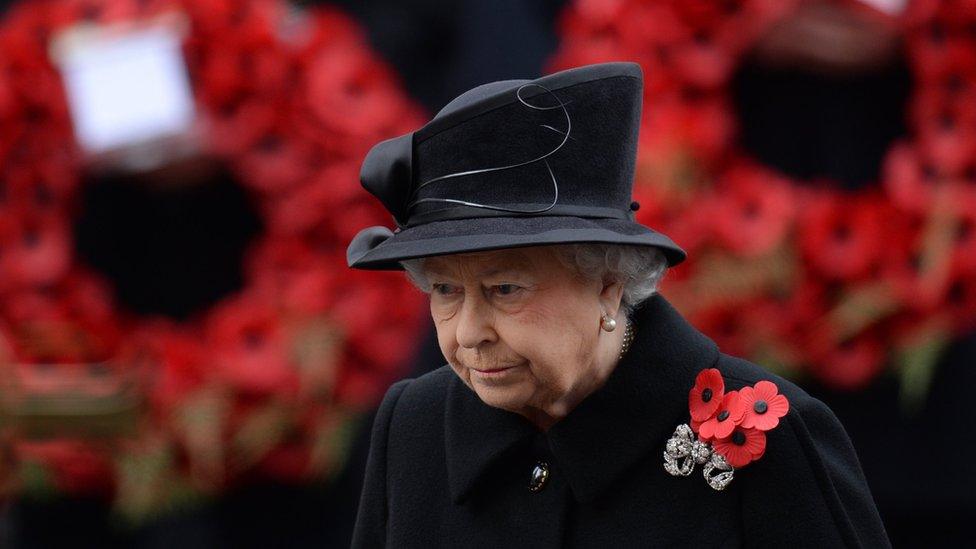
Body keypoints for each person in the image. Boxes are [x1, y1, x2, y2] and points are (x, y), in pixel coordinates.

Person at [346, 62, 889, 547]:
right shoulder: (413, 424)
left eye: (504, 289)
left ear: (607, 283)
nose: (467, 334)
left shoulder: (761, 434)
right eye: (445, 290)